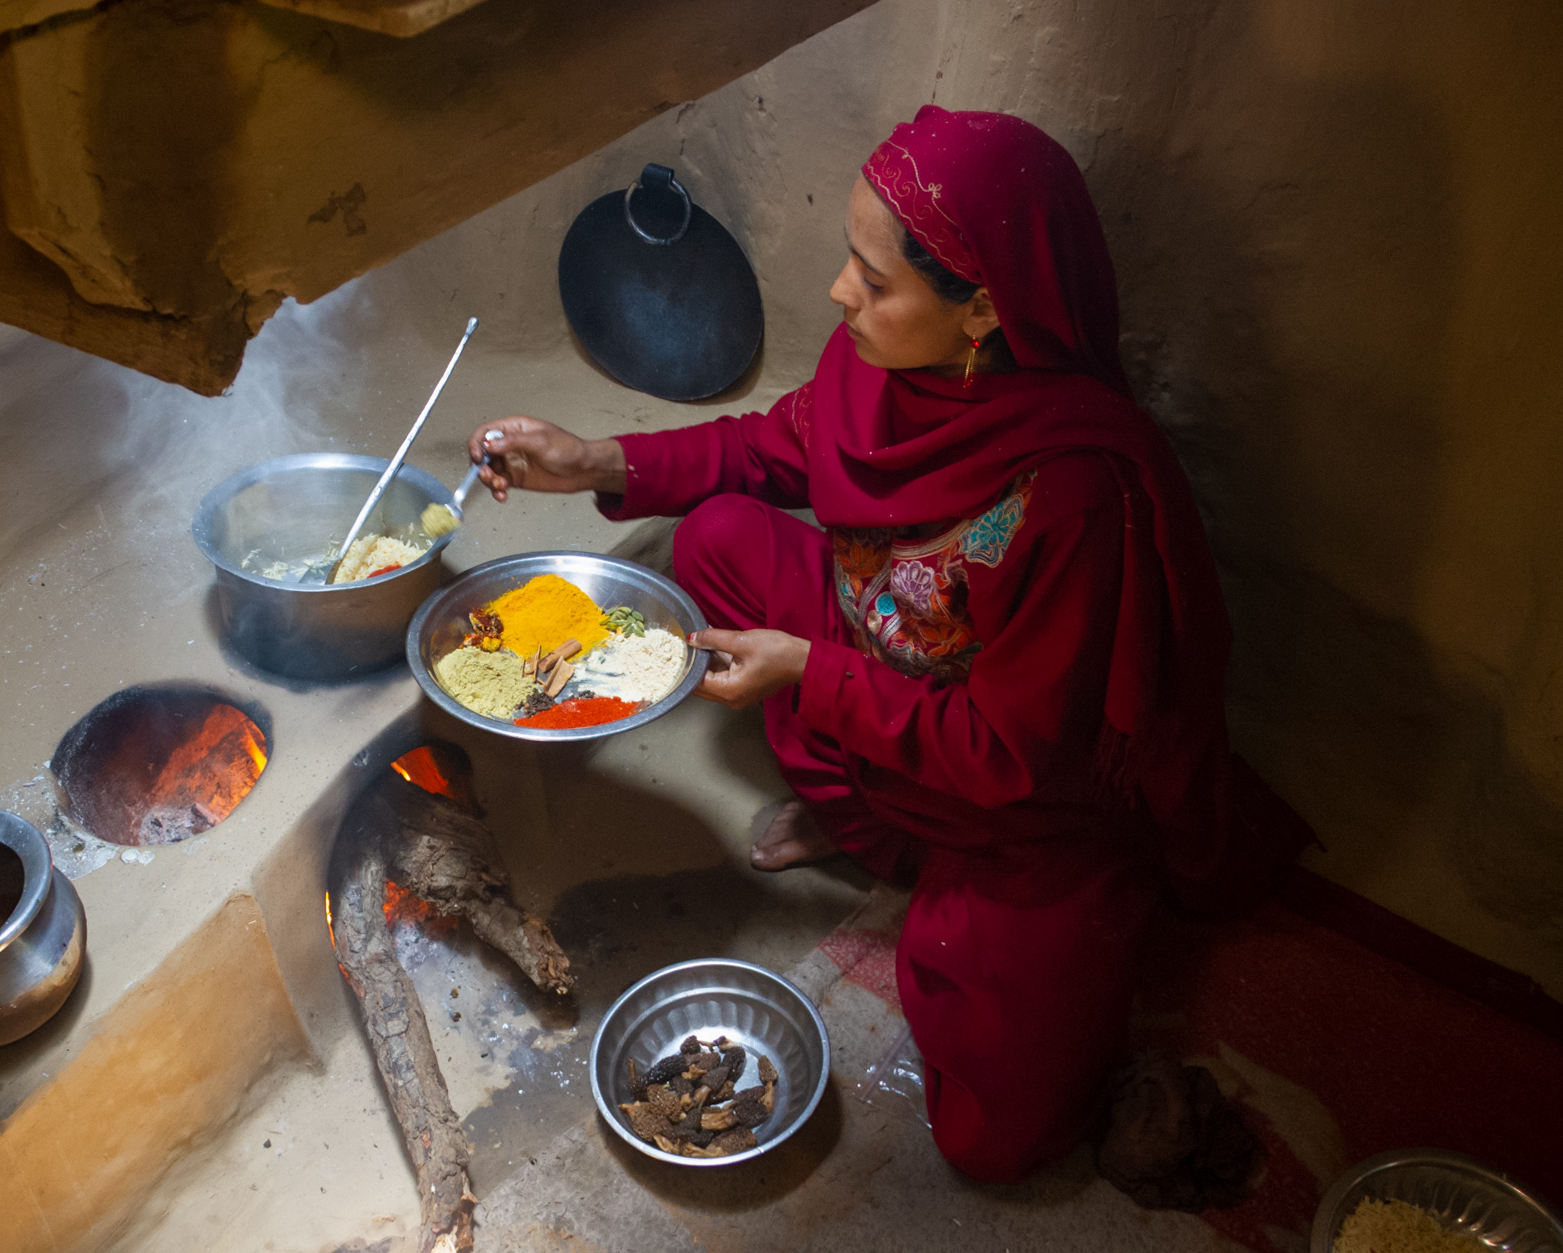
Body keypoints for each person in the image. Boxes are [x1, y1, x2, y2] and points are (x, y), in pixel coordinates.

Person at [467, 106, 1310, 1184]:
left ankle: (947, 869)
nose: (839, 295)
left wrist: (808, 673)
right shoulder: (876, 370)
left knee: (993, 1140)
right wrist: (592, 459)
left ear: (980, 313)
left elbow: (1010, 757)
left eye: (873, 280)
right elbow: (769, 447)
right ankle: (877, 822)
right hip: (890, 683)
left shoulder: (1068, 494)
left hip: (1021, 810)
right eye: (848, 264)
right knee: (720, 536)